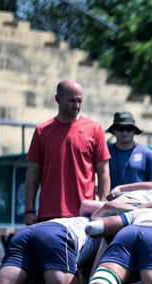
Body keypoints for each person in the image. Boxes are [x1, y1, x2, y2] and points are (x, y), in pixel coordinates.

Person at [24, 79, 110, 225]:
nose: (77, 106)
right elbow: (33, 172)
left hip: (85, 213)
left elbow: (103, 171)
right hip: (49, 212)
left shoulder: (95, 129)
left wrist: (104, 206)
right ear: (58, 99)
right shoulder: (42, 131)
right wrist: (29, 210)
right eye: (72, 101)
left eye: (80, 101)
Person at [106, 111, 152, 189]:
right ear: (114, 131)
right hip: (111, 201)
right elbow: (87, 174)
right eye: (120, 128)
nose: (125, 133)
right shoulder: (105, 153)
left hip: (140, 201)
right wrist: (97, 190)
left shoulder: (147, 154)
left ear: (134, 131)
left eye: (129, 128)